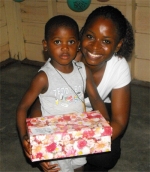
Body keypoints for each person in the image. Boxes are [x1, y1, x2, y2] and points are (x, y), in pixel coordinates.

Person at [29, 5, 134, 172]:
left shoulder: (118, 66)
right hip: (63, 111)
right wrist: (41, 144)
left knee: (104, 155)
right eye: (90, 36)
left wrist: (87, 138)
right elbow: (38, 105)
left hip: (98, 112)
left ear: (118, 45)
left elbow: (120, 121)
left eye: (106, 41)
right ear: (82, 34)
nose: (95, 47)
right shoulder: (65, 58)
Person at [16, 15, 109, 172]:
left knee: (80, 167)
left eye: (71, 42)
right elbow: (23, 107)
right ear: (46, 45)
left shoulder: (83, 70)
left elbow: (95, 98)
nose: (65, 47)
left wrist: (105, 123)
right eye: (57, 41)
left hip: (79, 135)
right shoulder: (43, 77)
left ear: (78, 45)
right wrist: (26, 137)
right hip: (53, 140)